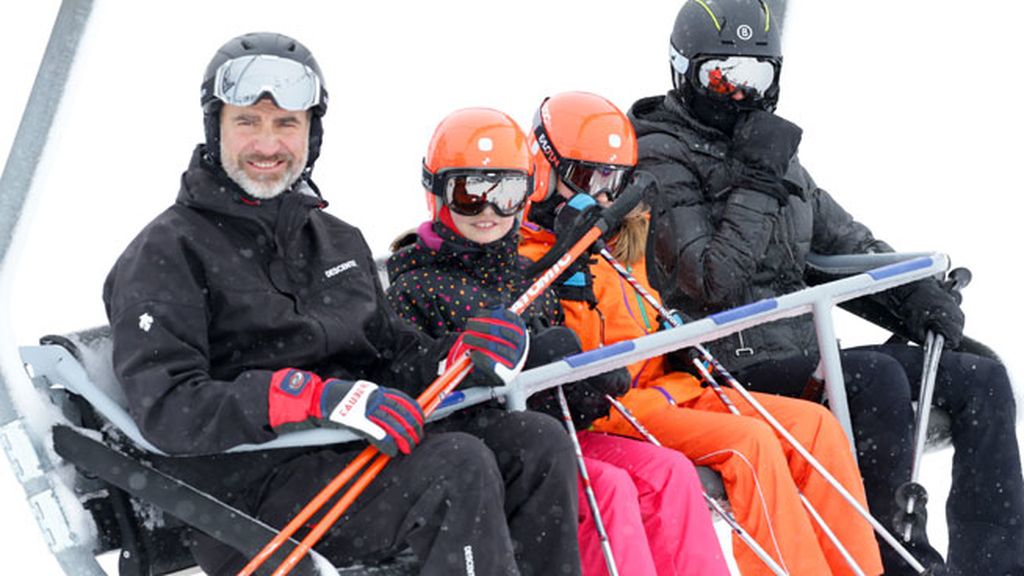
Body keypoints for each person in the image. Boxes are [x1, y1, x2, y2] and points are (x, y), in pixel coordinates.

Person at [102, 32, 583, 576]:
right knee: (457, 467)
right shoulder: (168, 252)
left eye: (287, 123)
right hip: (251, 498)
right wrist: (306, 398)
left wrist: (454, 357)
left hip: (357, 461)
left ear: (312, 133)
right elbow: (167, 406)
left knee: (534, 445)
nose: (267, 144)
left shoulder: (335, 240)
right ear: (216, 128)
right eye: (247, 122)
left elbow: (388, 357)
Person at [629, 2, 1024, 575]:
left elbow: (840, 244)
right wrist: (757, 181)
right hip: (720, 363)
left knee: (981, 379)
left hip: (803, 355)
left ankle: (996, 565)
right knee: (874, 378)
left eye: (756, 77)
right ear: (682, 71)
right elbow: (714, 282)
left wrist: (915, 301)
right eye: (722, 76)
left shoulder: (771, 153)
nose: (739, 95)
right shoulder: (657, 159)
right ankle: (889, 557)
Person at [520, 90, 883, 576]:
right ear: (544, 171)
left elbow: (670, 295)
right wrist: (564, 259)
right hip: (622, 408)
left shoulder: (622, 237)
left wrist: (678, 339)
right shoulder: (529, 256)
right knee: (749, 446)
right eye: (589, 177)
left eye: (616, 179)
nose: (604, 195)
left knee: (815, 428)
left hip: (675, 388)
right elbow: (558, 339)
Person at [385, 106, 728, 576]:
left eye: (506, 194)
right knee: (607, 488)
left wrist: (586, 381)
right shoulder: (417, 288)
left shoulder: (528, 277)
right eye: (470, 194)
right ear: (438, 195)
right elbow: (416, 392)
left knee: (667, 472)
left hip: (554, 437)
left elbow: (564, 395)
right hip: (491, 457)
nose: (489, 210)